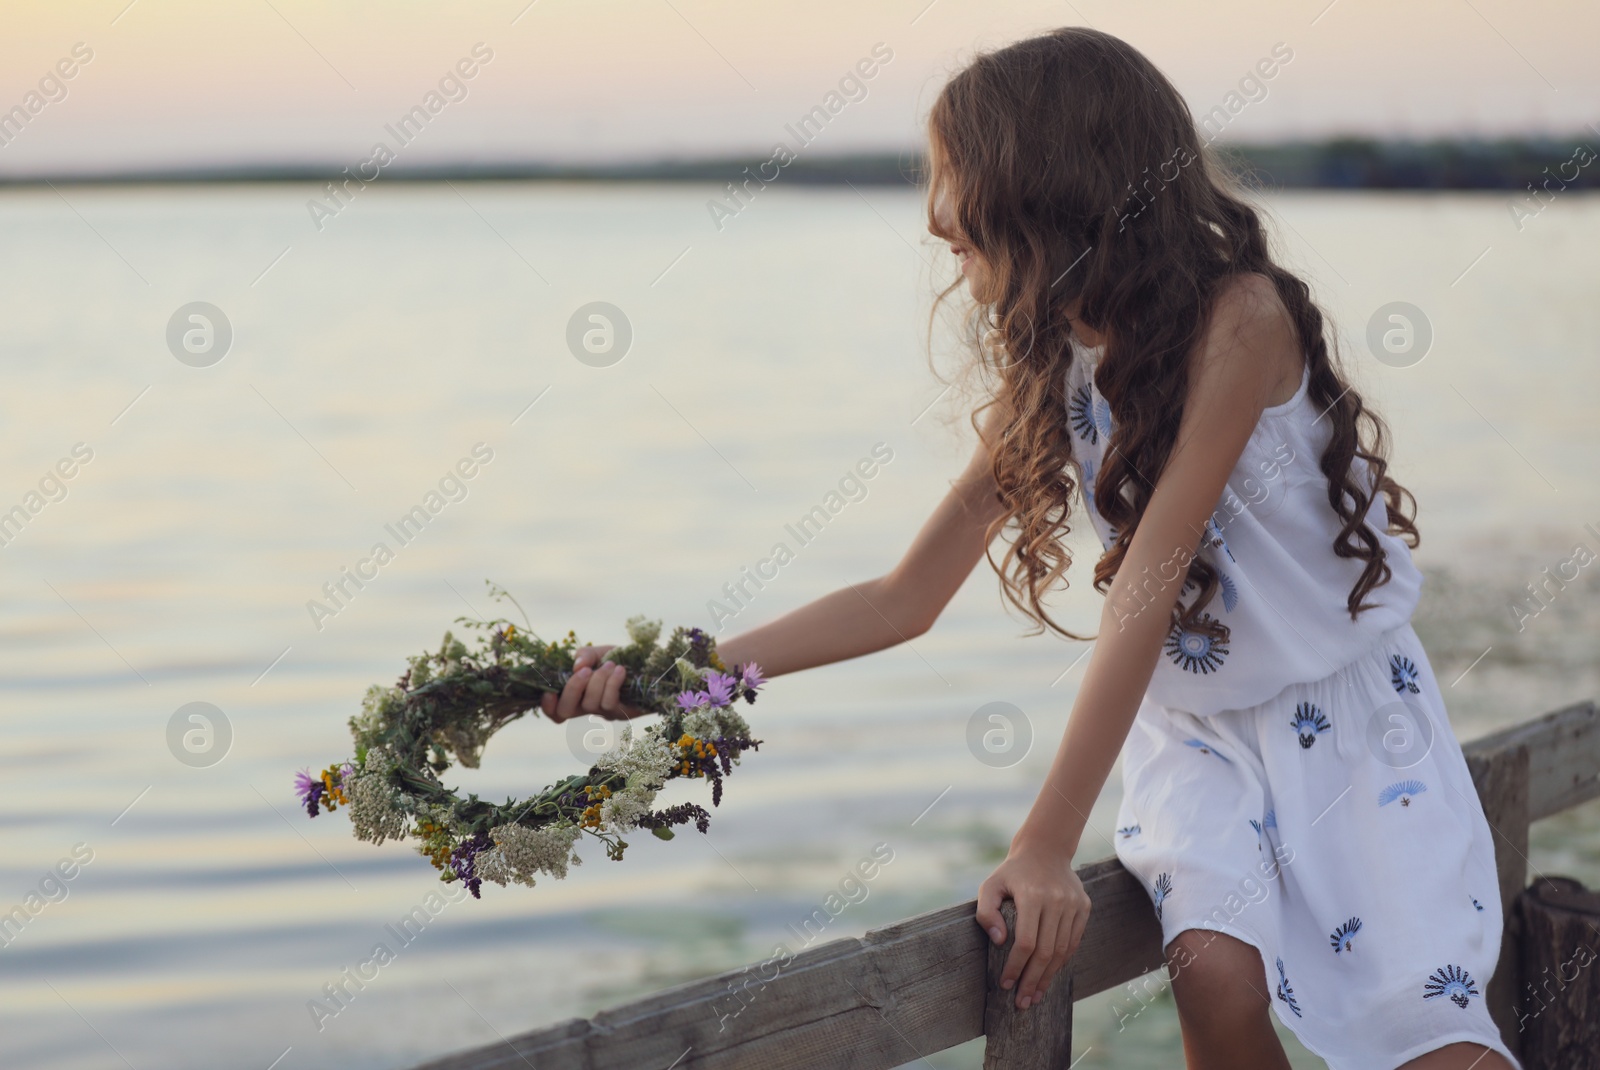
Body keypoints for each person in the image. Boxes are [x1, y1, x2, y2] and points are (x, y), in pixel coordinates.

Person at [540, 27, 1520, 1070]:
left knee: (1426, 1030)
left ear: (1047, 183)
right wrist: (674, 679)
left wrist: (1048, 839)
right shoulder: (1052, 363)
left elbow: (1148, 582)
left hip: (1348, 723)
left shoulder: (1241, 319)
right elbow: (900, 595)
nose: (933, 216)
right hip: (1192, 734)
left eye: (952, 178)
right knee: (1214, 975)